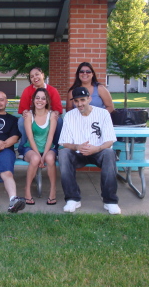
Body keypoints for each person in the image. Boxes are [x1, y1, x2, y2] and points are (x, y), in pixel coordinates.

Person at [58, 86, 121, 215]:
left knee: (109, 153)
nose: (80, 104)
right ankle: (72, 198)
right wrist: (77, 147)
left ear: (89, 99)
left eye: (82, 100)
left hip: (98, 151)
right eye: (76, 101)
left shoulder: (103, 113)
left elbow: (110, 140)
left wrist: (97, 148)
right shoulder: (69, 115)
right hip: (78, 153)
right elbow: (64, 142)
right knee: (63, 153)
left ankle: (110, 201)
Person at [22, 88, 58, 206]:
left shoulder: (52, 115)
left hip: (48, 148)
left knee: (50, 159)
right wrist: (38, 155)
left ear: (47, 101)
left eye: (43, 98)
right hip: (31, 149)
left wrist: (44, 156)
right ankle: (27, 190)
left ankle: (53, 191)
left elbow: (50, 137)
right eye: (37, 98)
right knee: (35, 159)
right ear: (33, 100)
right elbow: (30, 138)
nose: (40, 100)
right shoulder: (29, 115)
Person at [17, 67, 63, 155]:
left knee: (59, 121)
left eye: (37, 74)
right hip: (33, 118)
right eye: (32, 76)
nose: (35, 78)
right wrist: (26, 113)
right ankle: (24, 146)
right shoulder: (27, 90)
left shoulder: (52, 90)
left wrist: (53, 115)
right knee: (22, 121)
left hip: (48, 118)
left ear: (43, 75)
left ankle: (54, 147)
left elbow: (57, 110)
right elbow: (24, 110)